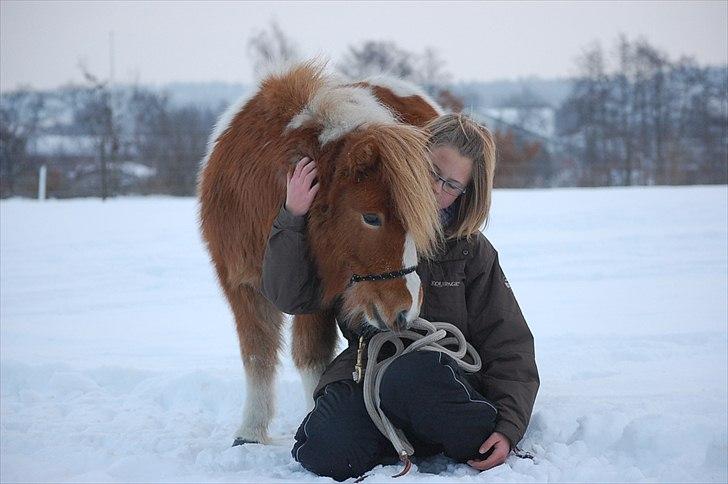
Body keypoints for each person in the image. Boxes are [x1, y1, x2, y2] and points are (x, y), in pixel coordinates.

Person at [261, 113, 539, 481]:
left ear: (466, 193)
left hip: (440, 381)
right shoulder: (365, 223)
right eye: (432, 171)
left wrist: (508, 427)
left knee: (409, 376)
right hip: (367, 373)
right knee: (323, 451)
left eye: (452, 184)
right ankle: (400, 436)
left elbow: (509, 343)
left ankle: (442, 429)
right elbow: (292, 297)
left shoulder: (471, 250)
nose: (436, 188)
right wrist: (293, 216)